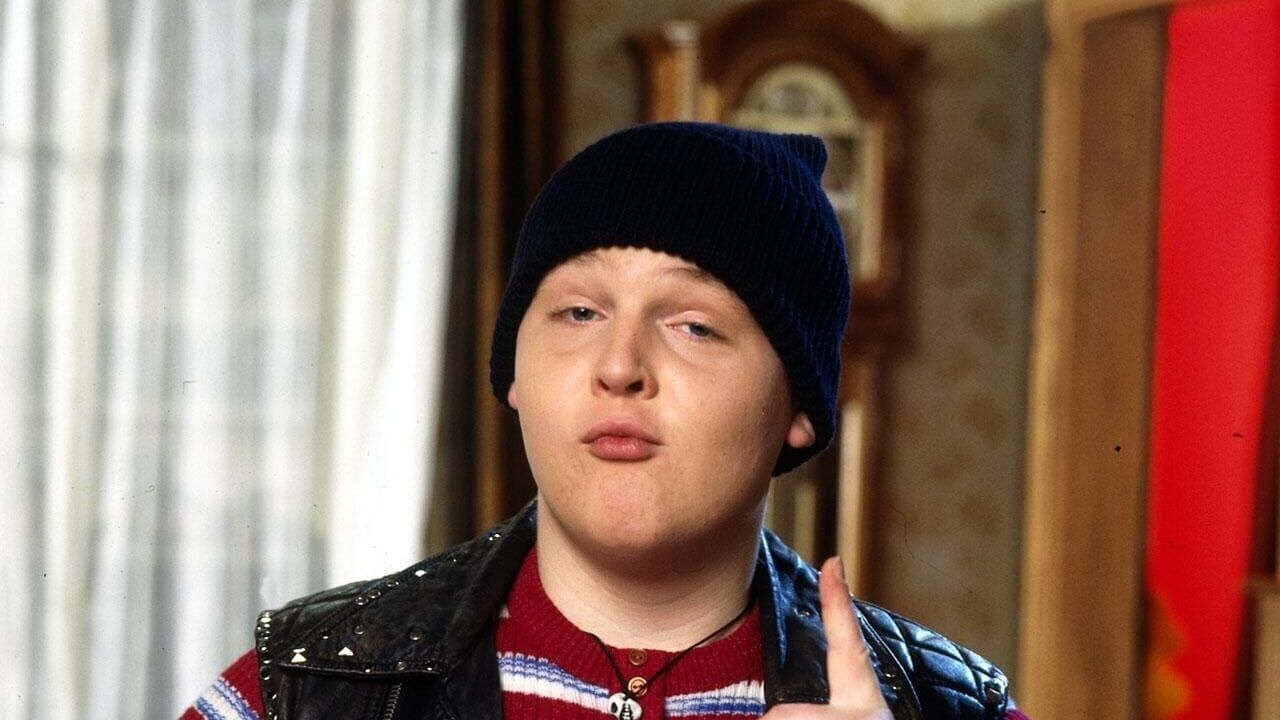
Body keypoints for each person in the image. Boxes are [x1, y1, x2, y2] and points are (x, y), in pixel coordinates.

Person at [181, 121, 1028, 720]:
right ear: (515, 373)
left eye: (694, 326)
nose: (619, 366)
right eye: (580, 312)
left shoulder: (956, 707)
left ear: (800, 406)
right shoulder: (296, 689)